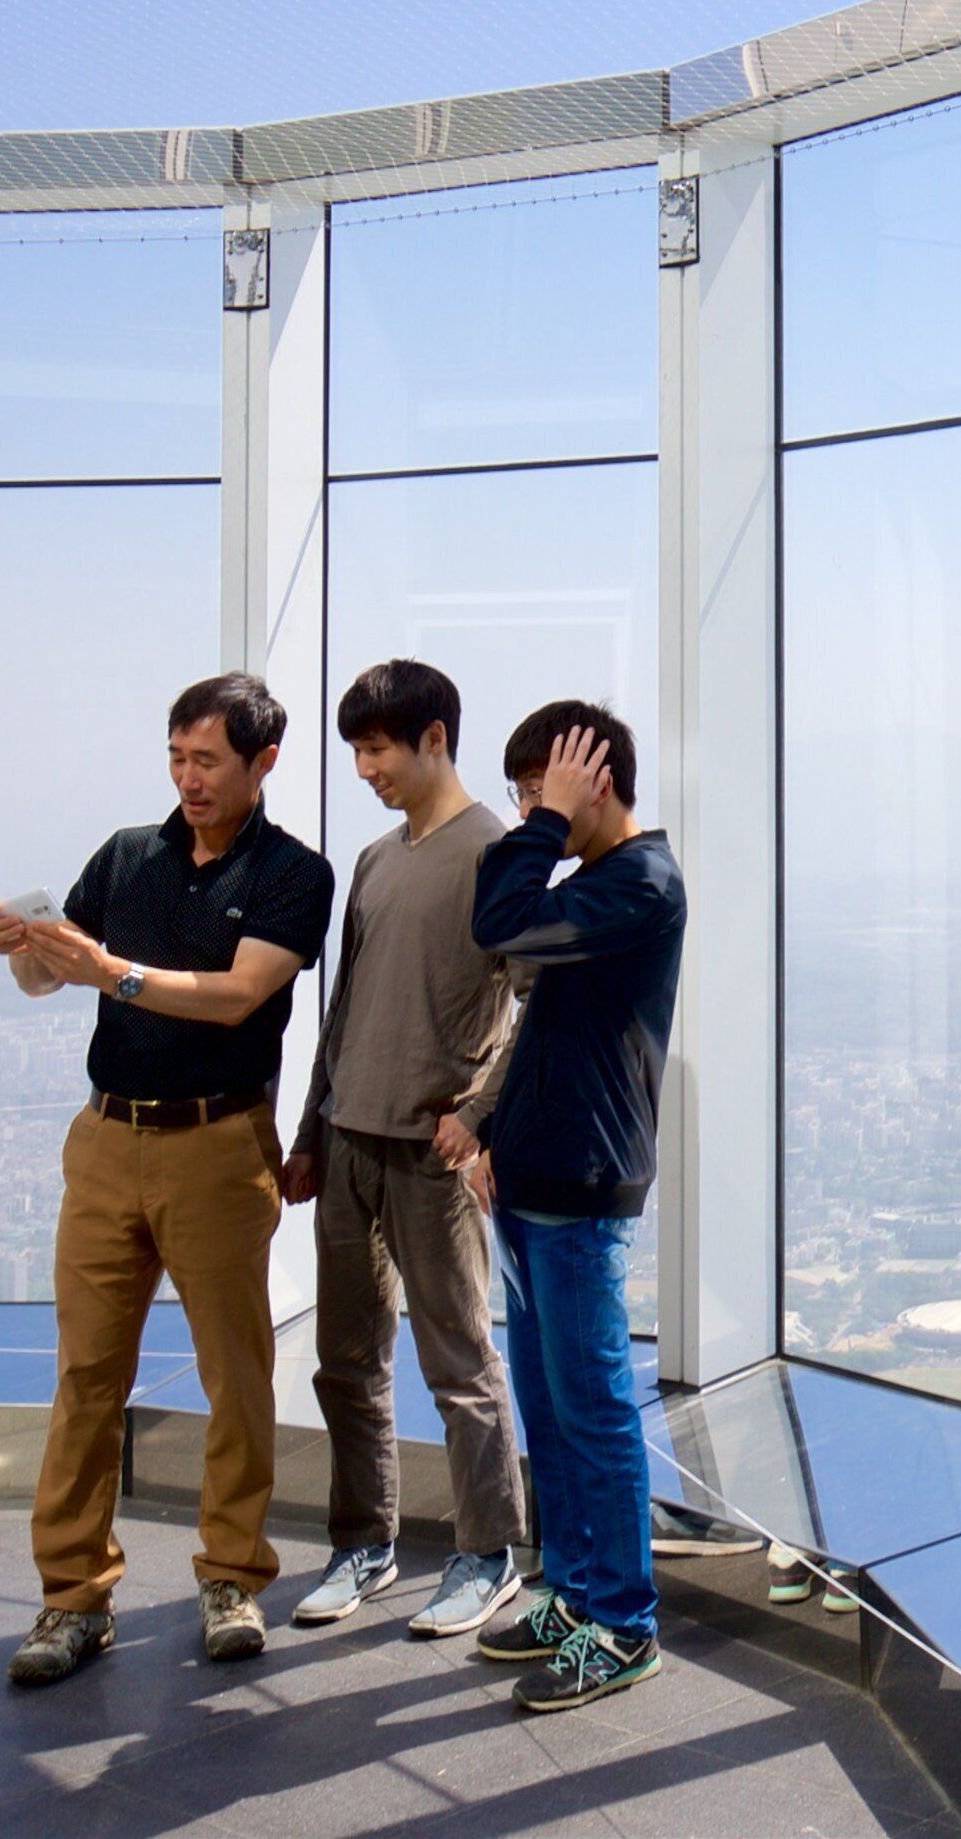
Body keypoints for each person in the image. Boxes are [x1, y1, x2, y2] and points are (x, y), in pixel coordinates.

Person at [0, 673, 334, 1687]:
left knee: (233, 1372)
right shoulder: (126, 855)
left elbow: (238, 997)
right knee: (87, 1374)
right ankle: (72, 1596)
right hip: (104, 1141)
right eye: (177, 758)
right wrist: (28, 950)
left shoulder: (293, 874)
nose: (189, 780)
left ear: (263, 762)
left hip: (219, 1148)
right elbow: (52, 980)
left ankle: (231, 1578)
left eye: (209, 761)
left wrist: (110, 971)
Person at [279, 660, 531, 1638]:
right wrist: (310, 1131)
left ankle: (486, 1556)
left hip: (430, 1157)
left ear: (434, 739)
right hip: (347, 1147)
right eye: (355, 749)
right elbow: (342, 1012)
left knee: (461, 1365)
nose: (363, 767)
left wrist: (480, 1117)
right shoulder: (378, 861)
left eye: (376, 747)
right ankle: (363, 1546)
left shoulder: (495, 854)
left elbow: (531, 1007)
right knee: (346, 1362)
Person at [460, 701, 686, 1715]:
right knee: (549, 1408)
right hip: (530, 1181)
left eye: (538, 786)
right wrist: (493, 1135)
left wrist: (543, 824)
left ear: (593, 776)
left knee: (592, 1411)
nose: (526, 809)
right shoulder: (595, 885)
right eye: (519, 794)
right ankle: (576, 1596)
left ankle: (624, 1625)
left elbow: (494, 920)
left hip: (583, 1191)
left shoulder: (640, 883)